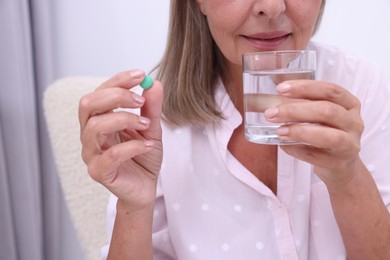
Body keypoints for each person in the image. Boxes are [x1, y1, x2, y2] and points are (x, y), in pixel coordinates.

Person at [78, 0, 390, 259]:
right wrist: (135, 206)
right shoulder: (150, 120)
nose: (271, 7)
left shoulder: (360, 85)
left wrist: (348, 176)